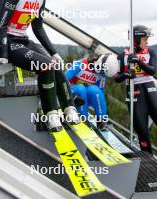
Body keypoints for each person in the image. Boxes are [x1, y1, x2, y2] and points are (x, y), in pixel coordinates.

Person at [0, 0, 80, 132]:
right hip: (7, 41)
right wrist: (1, 53)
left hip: (23, 39)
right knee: (46, 66)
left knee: (54, 63)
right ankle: (50, 114)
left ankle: (69, 106)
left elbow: (38, 27)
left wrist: (53, 52)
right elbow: (1, 23)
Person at [114, 25, 157, 154]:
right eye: (144, 39)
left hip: (149, 88)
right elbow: (117, 77)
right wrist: (126, 74)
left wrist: (138, 61)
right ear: (136, 40)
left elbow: (152, 71)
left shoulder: (151, 52)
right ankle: (148, 158)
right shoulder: (123, 55)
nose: (147, 42)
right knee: (142, 130)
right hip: (134, 92)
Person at [65, 54, 119, 130]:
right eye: (102, 71)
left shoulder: (102, 76)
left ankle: (101, 120)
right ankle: (83, 117)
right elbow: (63, 80)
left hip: (85, 98)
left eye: (104, 73)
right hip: (72, 95)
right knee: (81, 88)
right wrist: (72, 95)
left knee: (95, 90)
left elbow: (100, 93)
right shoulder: (79, 65)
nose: (102, 74)